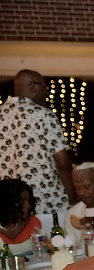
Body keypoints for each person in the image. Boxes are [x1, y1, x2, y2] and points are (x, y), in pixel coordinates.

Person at [0, 69, 76, 213]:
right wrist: (72, 197)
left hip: (6, 206)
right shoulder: (44, 115)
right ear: (32, 86)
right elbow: (63, 163)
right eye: (45, 87)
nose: (47, 93)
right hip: (46, 204)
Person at [0, 178, 42, 255]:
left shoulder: (33, 222)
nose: (28, 206)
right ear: (6, 203)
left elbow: (43, 253)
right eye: (22, 201)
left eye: (28, 201)